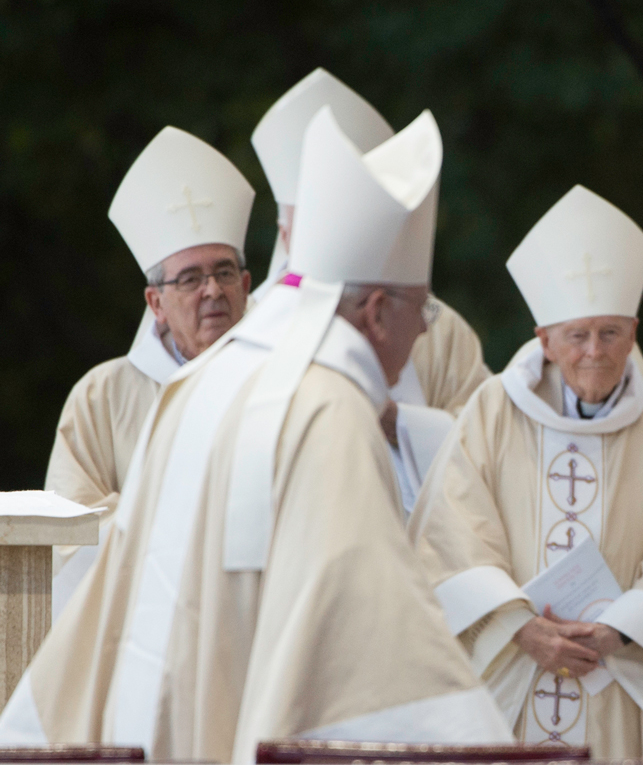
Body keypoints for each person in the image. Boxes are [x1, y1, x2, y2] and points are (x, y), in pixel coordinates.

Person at [0, 109, 509, 758]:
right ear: (379, 312)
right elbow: (376, 627)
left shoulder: (210, 379)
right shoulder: (328, 410)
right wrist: (482, 743)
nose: (428, 329)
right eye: (422, 309)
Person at [409, 185, 643, 762]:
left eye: (611, 333)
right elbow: (455, 533)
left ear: (633, 333)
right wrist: (522, 629)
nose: (594, 351)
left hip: (618, 673)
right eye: (577, 335)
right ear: (545, 341)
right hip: (513, 669)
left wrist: (618, 629)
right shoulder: (492, 411)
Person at [252, 67, 489, 509]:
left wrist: (404, 424)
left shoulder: (439, 329)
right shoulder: (246, 334)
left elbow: (491, 440)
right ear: (285, 234)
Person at [44, 126, 254, 615]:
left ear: (246, 285)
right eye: (190, 278)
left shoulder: (284, 378)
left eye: (224, 273)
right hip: (143, 623)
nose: (212, 290)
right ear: (155, 303)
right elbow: (67, 534)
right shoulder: (101, 397)